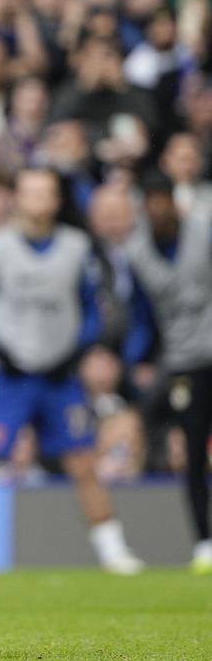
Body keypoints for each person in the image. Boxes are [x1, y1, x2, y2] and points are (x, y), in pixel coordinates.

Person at [0, 167, 144, 574]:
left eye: (45, 193)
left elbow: (93, 309)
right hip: (11, 375)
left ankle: (113, 551)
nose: (38, 201)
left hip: (60, 375)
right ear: (17, 199)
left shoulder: (76, 247)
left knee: (82, 461)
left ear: (56, 200)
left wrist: (77, 349)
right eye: (30, 193)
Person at [121, 179, 212, 573]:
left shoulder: (203, 232)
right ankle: (205, 541)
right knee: (192, 451)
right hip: (182, 361)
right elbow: (141, 312)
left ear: (175, 205)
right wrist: (138, 358)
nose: (159, 212)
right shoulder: (137, 251)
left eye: (164, 204)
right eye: (152, 205)